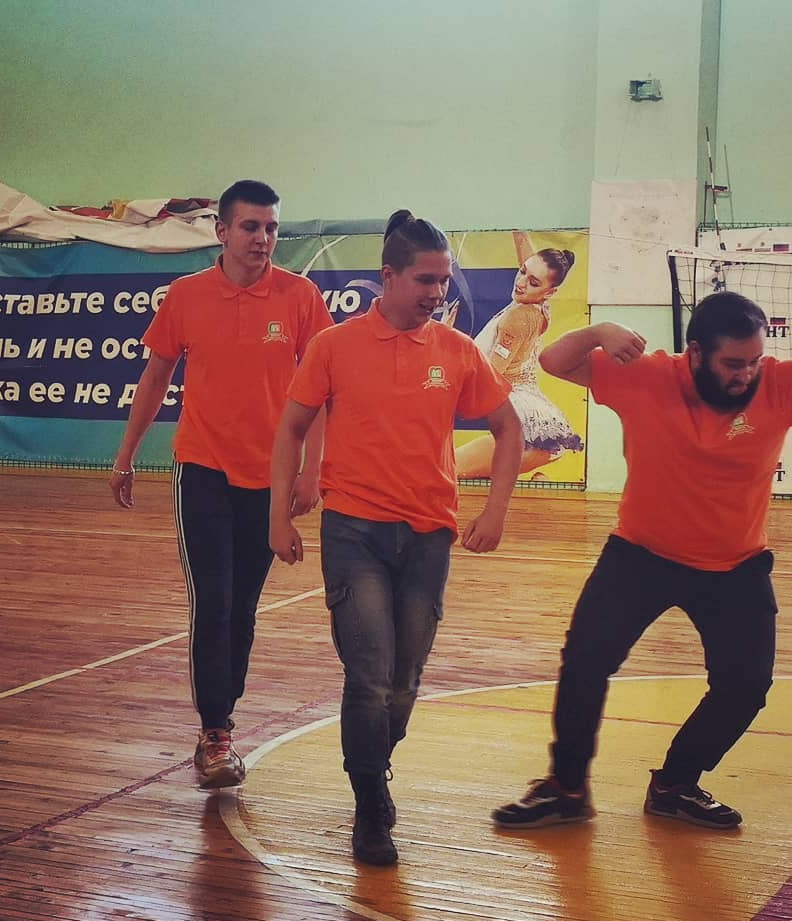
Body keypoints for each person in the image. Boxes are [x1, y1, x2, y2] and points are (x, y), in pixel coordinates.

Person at [493, 290, 792, 831]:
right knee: (585, 663)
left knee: (745, 688)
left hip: (735, 567)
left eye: (754, 361)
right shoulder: (647, 375)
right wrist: (598, 331)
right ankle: (566, 789)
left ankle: (675, 784)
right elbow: (553, 361)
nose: (746, 374)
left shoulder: (782, 383)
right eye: (733, 364)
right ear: (695, 353)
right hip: (640, 555)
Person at [269, 209, 523, 866]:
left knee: (404, 682)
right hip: (354, 533)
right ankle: (368, 804)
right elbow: (291, 427)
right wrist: (278, 514)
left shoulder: (457, 352)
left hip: (429, 538)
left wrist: (495, 511)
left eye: (444, 280)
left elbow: (509, 428)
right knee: (370, 677)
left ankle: (374, 765)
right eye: (425, 280)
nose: (438, 292)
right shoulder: (334, 346)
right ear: (389, 276)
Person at [110, 179, 334, 789]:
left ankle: (222, 715)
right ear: (222, 231)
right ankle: (216, 730)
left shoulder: (301, 297)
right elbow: (155, 376)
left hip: (270, 477)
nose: (262, 238)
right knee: (213, 601)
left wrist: (312, 470)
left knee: (242, 607)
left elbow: (322, 392)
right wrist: (126, 454)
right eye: (250, 226)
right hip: (202, 467)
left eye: (271, 228)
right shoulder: (186, 295)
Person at [454, 232, 582, 478]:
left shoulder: (518, 317)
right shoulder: (540, 305)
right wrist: (518, 229)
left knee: (446, 471)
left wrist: (447, 341)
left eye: (532, 282)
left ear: (549, 291)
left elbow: (491, 375)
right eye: (522, 271)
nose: (521, 283)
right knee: (450, 473)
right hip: (537, 422)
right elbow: (533, 266)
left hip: (522, 423)